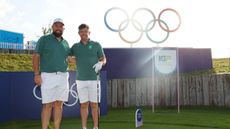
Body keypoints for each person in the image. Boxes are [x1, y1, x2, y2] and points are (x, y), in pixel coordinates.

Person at [33, 18, 70, 129]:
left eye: (60, 26)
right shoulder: (44, 39)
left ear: (63, 28)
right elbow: (36, 56)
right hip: (48, 76)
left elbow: (69, 58)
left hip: (63, 76)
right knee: (48, 105)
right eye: (56, 25)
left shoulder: (65, 42)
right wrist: (36, 74)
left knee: (59, 105)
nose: (58, 28)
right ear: (52, 27)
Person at [71, 23, 106, 129]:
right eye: (81, 32)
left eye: (85, 31)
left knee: (94, 105)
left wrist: (101, 63)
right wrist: (71, 60)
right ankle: (84, 127)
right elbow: (67, 55)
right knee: (83, 105)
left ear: (89, 32)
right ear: (78, 33)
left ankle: (95, 127)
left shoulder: (96, 45)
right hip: (80, 80)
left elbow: (103, 59)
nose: (84, 33)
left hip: (94, 80)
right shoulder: (75, 46)